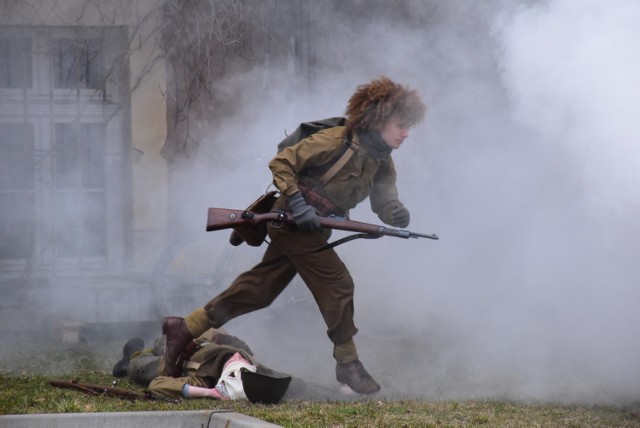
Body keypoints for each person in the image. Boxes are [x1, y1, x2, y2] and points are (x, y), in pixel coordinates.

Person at [163, 76, 427, 394]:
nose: (406, 132)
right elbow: (282, 162)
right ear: (379, 119)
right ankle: (347, 362)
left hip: (313, 228)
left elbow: (384, 202)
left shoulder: (381, 161)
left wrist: (395, 213)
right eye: (401, 124)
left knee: (258, 290)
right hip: (290, 219)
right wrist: (298, 203)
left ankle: (185, 328)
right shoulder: (335, 142)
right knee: (338, 283)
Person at [112, 329, 293, 402]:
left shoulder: (203, 380)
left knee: (138, 368)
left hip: (174, 363)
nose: (237, 362)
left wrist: (209, 393)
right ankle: (156, 346)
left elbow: (157, 385)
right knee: (166, 338)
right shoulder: (255, 367)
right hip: (197, 342)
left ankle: (131, 356)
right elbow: (295, 383)